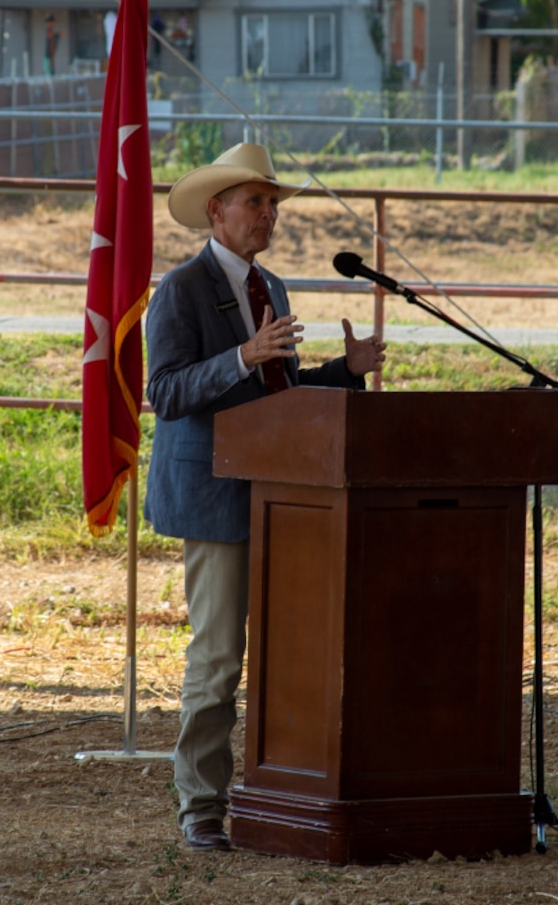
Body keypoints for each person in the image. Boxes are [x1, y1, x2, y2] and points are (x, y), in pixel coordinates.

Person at [144, 142, 385, 852]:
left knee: (288, 652)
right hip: (215, 496)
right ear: (215, 212)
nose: (267, 216)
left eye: (272, 205)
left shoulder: (271, 288)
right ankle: (201, 807)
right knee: (218, 657)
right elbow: (164, 392)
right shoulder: (181, 290)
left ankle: (284, 793)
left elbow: (279, 394)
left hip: (284, 497)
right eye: (255, 203)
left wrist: (343, 371)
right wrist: (241, 357)